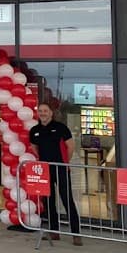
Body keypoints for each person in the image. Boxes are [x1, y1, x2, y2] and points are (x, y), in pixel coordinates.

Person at [29, 102, 82, 245]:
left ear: (51, 113)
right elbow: (34, 147)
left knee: (67, 200)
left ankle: (76, 234)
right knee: (49, 201)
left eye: (45, 111)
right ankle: (54, 232)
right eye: (40, 111)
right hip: (45, 171)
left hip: (61, 169)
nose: (43, 113)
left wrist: (64, 162)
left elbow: (71, 146)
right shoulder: (34, 130)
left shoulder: (60, 128)